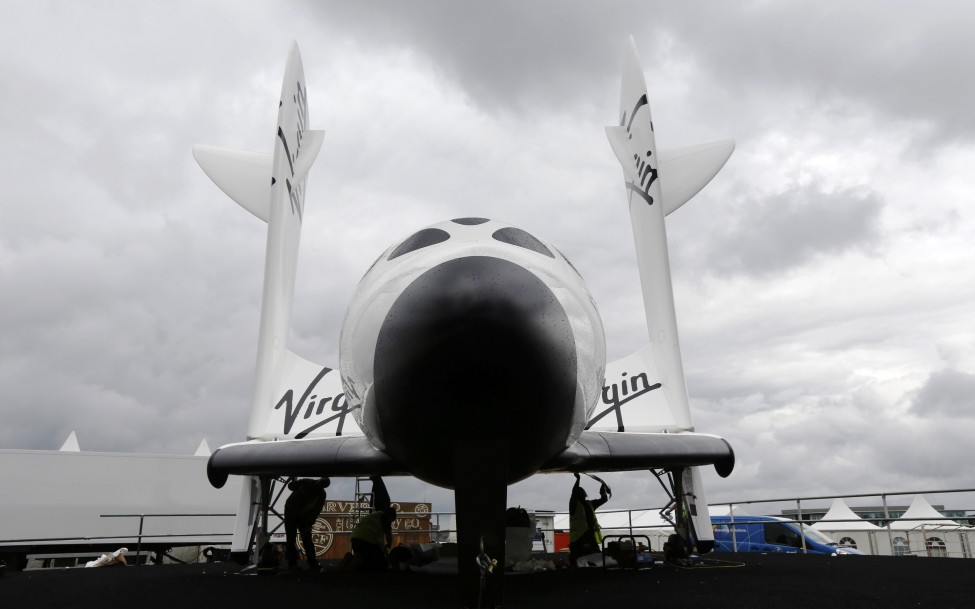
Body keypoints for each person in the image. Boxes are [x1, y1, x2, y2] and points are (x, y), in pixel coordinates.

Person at [284, 477, 329, 570]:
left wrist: (297, 486)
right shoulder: (320, 493)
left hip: (294, 513)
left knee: (292, 540)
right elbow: (317, 510)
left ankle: (293, 564)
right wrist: (310, 521)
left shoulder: (308, 483)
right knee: (305, 540)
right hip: (297, 515)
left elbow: (291, 486)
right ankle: (311, 563)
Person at [569, 472, 609, 567]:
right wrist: (578, 480)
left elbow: (604, 499)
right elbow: (574, 493)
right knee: (578, 557)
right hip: (579, 537)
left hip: (588, 535)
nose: (581, 494)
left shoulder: (589, 504)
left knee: (594, 555)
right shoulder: (573, 505)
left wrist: (603, 492)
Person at [350, 506, 397, 571]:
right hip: (366, 541)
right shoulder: (385, 518)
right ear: (390, 517)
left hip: (354, 539)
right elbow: (386, 537)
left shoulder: (376, 515)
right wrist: (388, 546)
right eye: (391, 521)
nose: (390, 524)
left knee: (367, 561)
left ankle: (351, 561)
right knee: (381, 564)